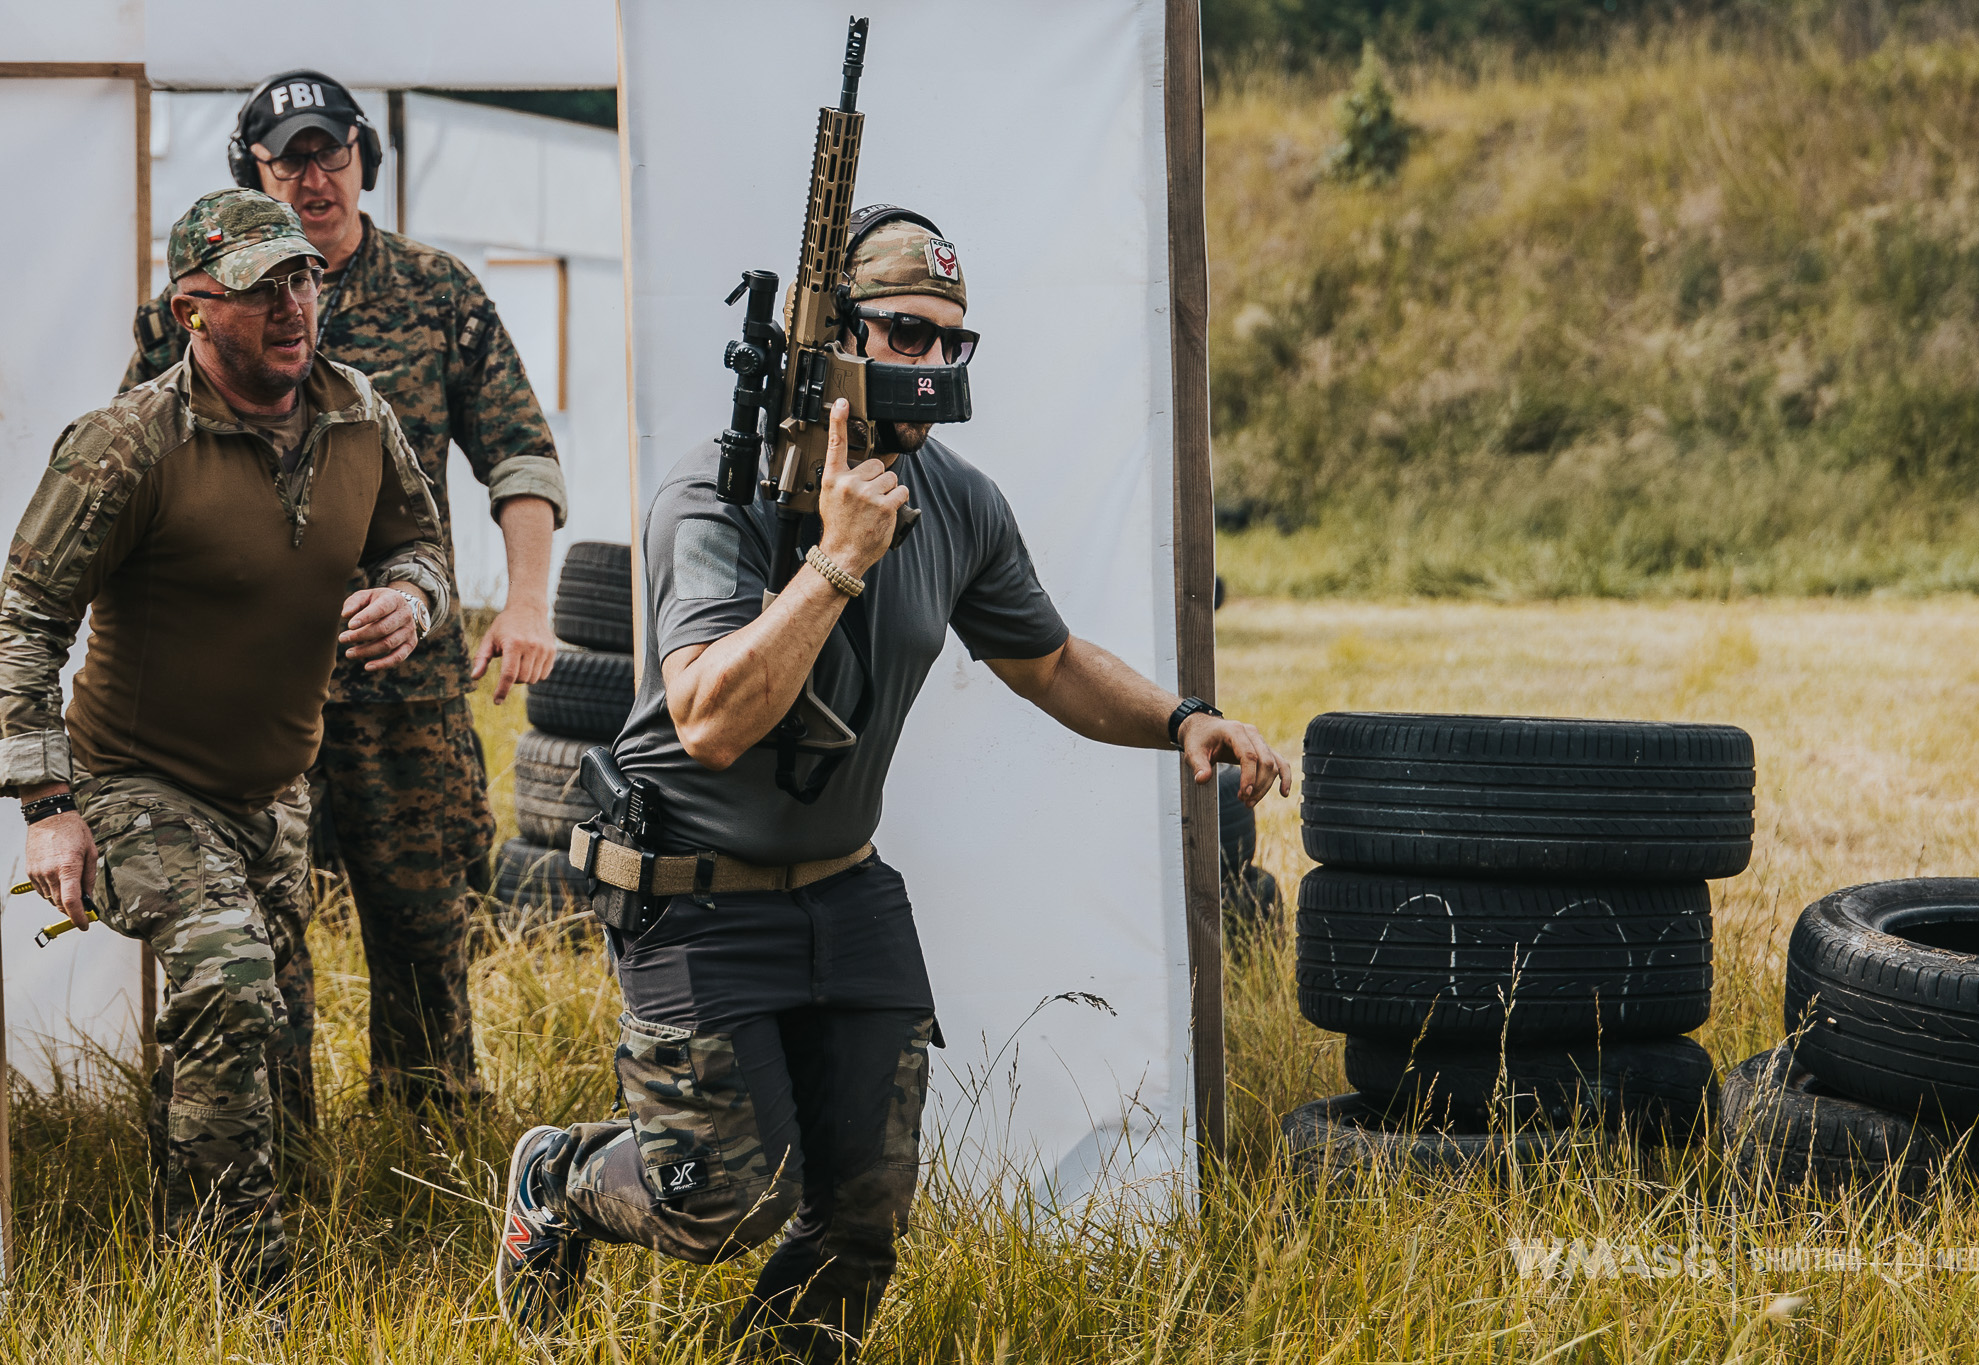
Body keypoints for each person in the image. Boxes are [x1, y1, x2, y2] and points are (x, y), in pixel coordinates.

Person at [491, 209, 1291, 1358]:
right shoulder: (715, 498)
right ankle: (560, 1179)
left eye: (951, 346)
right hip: (693, 891)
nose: (931, 368)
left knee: (862, 1215)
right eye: (905, 337)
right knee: (723, 1199)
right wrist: (835, 559)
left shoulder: (955, 499)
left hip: (846, 891)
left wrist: (1182, 720)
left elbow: (1049, 662)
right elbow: (709, 723)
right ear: (835, 343)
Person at [1, 190, 451, 1289]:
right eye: (260, 288)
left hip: (274, 787)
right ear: (193, 310)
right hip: (135, 782)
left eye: (302, 279)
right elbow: (25, 619)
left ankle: (259, 1210)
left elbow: (422, 542)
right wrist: (49, 807)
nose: (294, 305)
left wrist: (414, 598)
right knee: (227, 977)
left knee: (273, 1036)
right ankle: (234, 1287)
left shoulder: (357, 412)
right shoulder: (126, 445)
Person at [123, 70, 568, 1115]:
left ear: (366, 158)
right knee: (259, 953)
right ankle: (276, 1167)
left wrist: (529, 601)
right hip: (249, 702)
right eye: (288, 161)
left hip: (406, 700)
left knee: (425, 938)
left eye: (331, 155)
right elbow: (132, 470)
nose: (313, 178)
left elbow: (521, 456)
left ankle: (423, 1170)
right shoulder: (188, 307)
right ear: (255, 174)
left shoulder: (434, 290)